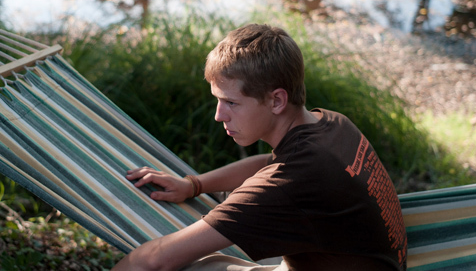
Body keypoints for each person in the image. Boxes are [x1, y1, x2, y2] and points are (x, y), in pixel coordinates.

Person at [111, 24, 407, 271]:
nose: (219, 115)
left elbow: (156, 260)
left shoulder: (287, 184)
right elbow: (269, 162)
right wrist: (194, 185)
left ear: (277, 101)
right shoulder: (331, 124)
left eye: (231, 102)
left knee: (196, 266)